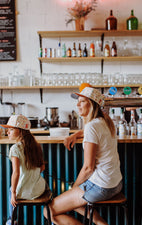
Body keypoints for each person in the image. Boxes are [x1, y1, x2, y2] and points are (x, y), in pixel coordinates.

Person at [44, 85, 122, 225]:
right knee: (76, 196)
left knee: (48, 211)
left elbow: (88, 168)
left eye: (82, 101)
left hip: (101, 186)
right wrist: (75, 134)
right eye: (78, 101)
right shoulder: (106, 121)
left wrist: (75, 188)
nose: (77, 104)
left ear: (91, 105)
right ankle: (100, 223)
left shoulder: (92, 126)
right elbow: (89, 130)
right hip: (115, 184)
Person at [0, 114, 49, 225]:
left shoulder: (15, 149)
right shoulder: (37, 145)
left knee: (11, 189)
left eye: (11, 129)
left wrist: (13, 193)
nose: (8, 132)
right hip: (39, 189)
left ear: (21, 131)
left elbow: (16, 173)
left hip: (24, 192)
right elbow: (42, 167)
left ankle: (11, 220)